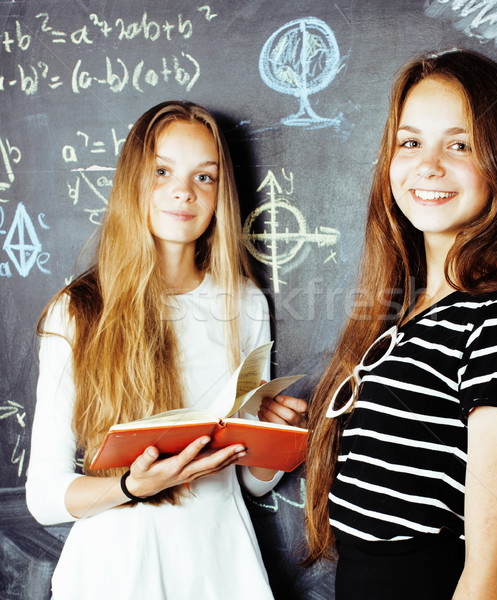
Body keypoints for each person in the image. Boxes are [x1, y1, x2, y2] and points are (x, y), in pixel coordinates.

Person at [304, 50, 497, 600]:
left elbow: (493, 572)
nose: (428, 165)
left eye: (459, 145)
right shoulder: (409, 312)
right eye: (410, 142)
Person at [26, 100, 306, 600]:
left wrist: (273, 439)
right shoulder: (78, 311)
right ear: (134, 180)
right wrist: (133, 487)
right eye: (162, 171)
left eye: (205, 177)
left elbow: (251, 483)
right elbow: (44, 495)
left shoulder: (244, 302)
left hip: (221, 570)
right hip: (115, 572)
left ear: (221, 194)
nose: (183, 191)